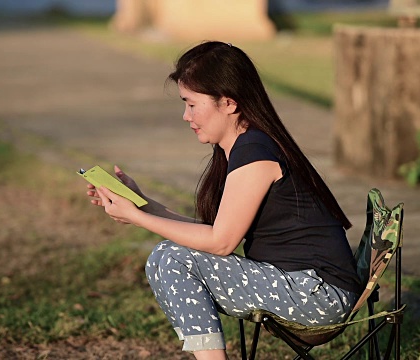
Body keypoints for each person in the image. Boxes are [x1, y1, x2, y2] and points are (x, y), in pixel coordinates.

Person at [86, 41, 361, 360]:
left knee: (171, 258)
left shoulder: (255, 155)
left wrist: (138, 218)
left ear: (228, 103)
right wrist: (143, 204)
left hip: (318, 296)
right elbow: (215, 233)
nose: (185, 115)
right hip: (301, 286)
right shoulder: (245, 147)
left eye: (191, 104)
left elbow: (220, 242)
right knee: (170, 256)